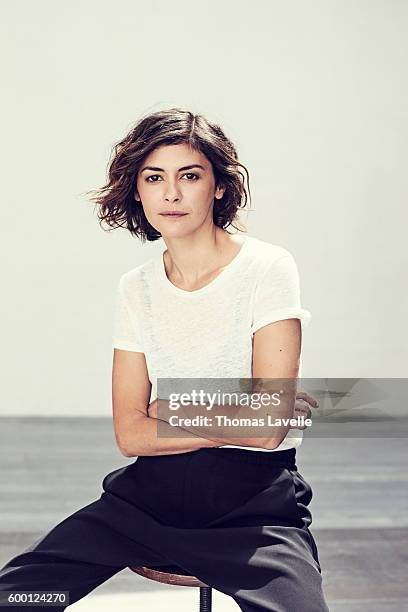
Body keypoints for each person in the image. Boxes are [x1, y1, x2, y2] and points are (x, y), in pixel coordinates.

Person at [0, 108, 329, 611]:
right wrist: (231, 413)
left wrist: (165, 410)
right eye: (154, 178)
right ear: (137, 190)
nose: (171, 194)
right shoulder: (136, 287)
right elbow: (129, 435)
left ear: (218, 187)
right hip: (145, 503)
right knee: (19, 596)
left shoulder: (267, 267)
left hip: (253, 510)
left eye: (189, 176)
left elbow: (266, 431)